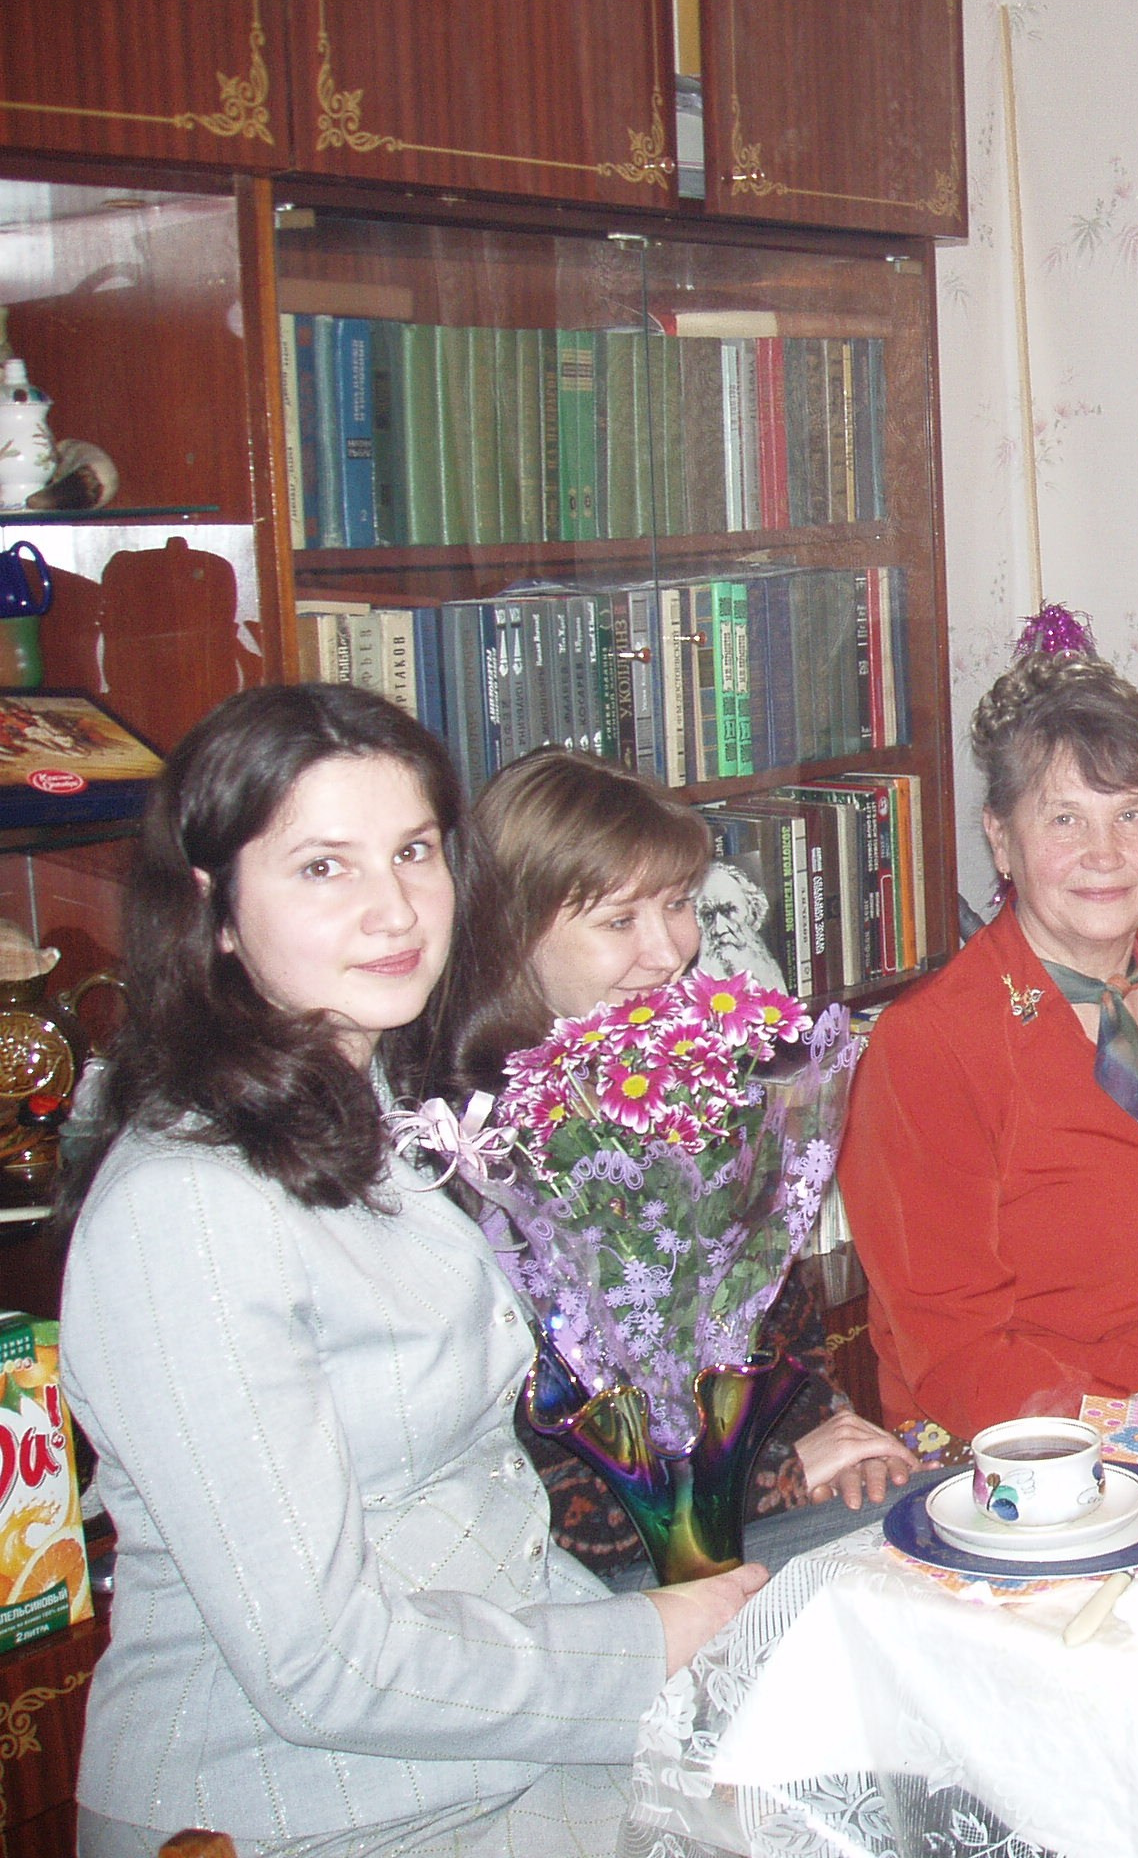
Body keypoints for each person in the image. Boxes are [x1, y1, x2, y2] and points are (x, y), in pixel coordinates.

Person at [57, 685, 763, 1857]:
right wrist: (654, 1641)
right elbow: (320, 1666)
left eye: (413, 852)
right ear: (215, 907)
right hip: (301, 1807)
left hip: (504, 1748)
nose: (392, 910)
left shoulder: (383, 1109)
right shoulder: (188, 1210)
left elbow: (480, 1504)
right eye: (321, 868)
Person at [445, 749, 914, 1580]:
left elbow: (778, 1336)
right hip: (604, 1583)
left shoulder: (684, 1082)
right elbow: (522, 1483)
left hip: (754, 1515)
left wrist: (835, 1432)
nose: (668, 953)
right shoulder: (472, 1154)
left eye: (677, 905)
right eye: (619, 921)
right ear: (512, 930)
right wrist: (771, 1477)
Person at [841, 651, 1138, 1441]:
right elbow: (954, 1350)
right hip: (1023, 1443)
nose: (1105, 853)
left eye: (1130, 815)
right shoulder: (929, 1046)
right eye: (1065, 819)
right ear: (1001, 841)